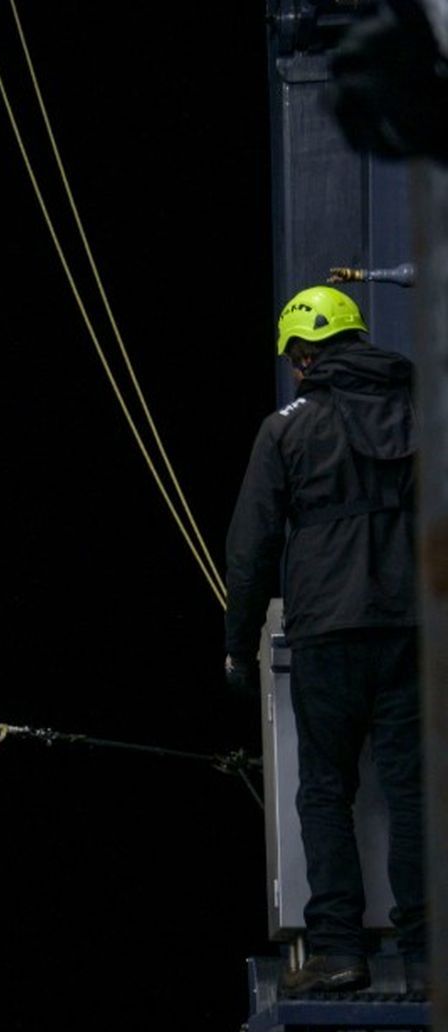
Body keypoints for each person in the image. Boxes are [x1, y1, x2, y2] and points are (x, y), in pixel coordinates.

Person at [224, 284, 424, 995]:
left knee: (326, 790)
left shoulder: (286, 428)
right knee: (415, 792)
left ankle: (338, 950)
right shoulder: (420, 414)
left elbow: (251, 547)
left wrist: (238, 644)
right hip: (412, 630)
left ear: (304, 356)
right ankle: (429, 956)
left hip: (327, 634)